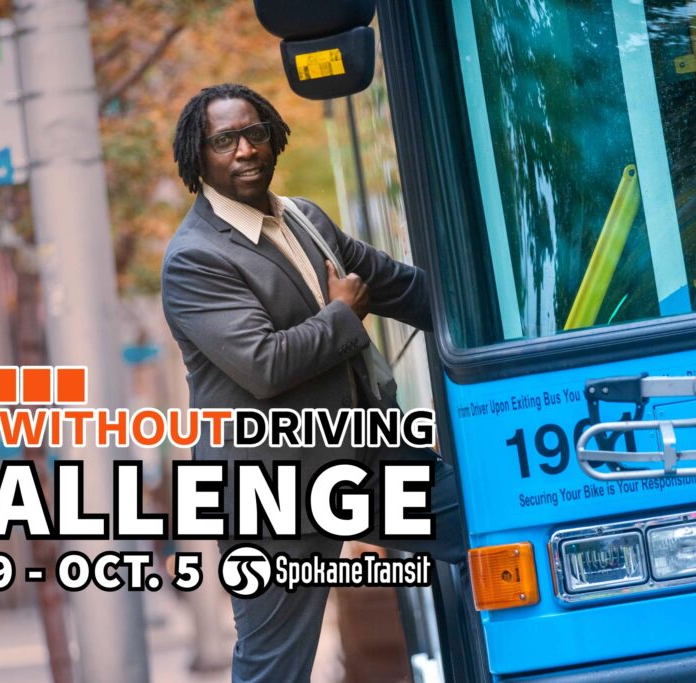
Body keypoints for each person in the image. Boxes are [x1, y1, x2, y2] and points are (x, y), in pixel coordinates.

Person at [162, 83, 464, 683]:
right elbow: (264, 365)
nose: (245, 149)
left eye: (255, 133)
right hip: (273, 494)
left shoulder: (303, 217)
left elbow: (398, 286)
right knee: (275, 667)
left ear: (274, 137)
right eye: (225, 140)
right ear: (198, 156)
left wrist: (498, 312)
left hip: (368, 458)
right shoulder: (194, 259)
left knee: (480, 526)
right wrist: (343, 314)